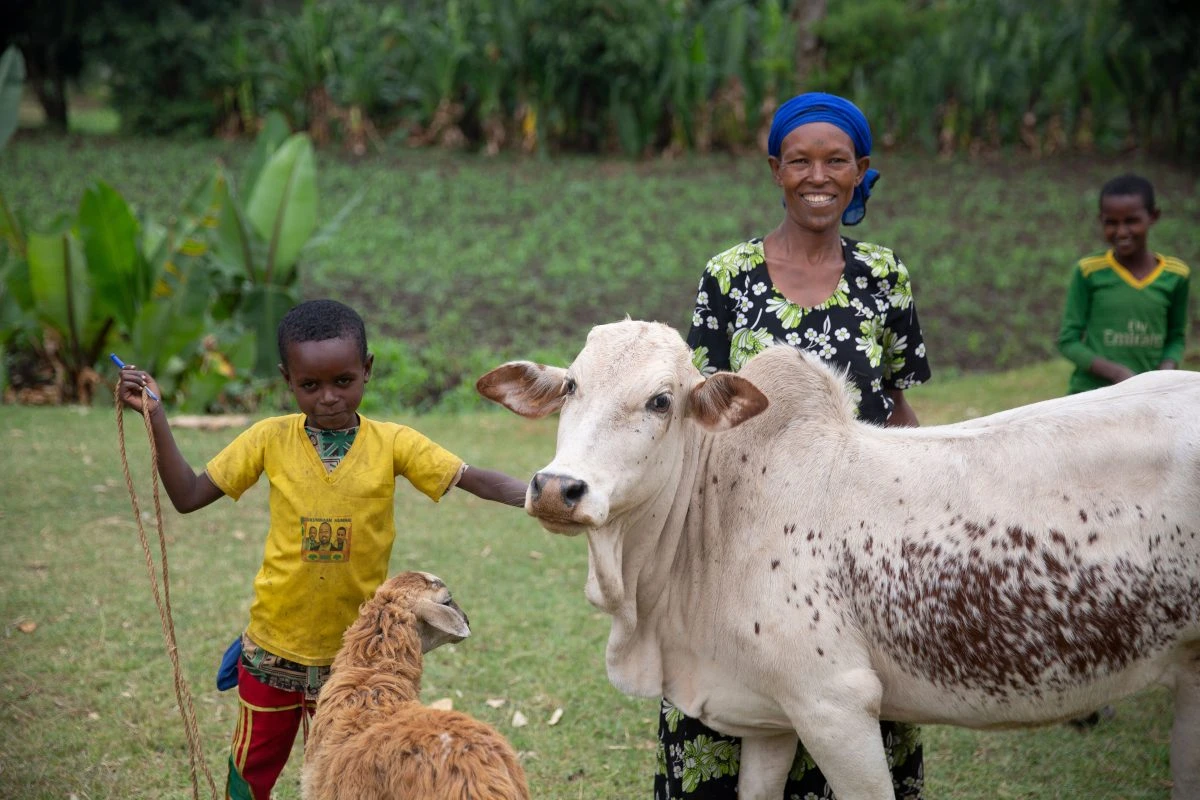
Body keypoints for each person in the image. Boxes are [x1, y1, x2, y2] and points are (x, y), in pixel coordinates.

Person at [116, 299, 528, 800]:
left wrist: (539, 494)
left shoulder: (393, 443)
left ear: (367, 371)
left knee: (343, 780)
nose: (328, 397)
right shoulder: (268, 439)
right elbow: (187, 494)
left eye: (343, 381)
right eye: (310, 385)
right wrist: (156, 415)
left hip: (352, 665)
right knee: (251, 771)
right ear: (287, 379)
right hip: (273, 649)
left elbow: (472, 478)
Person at [659, 92, 931, 800]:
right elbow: (699, 408)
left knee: (854, 713)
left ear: (860, 169)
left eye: (836, 161)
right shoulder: (729, 277)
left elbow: (897, 404)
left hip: (857, 546)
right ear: (776, 169)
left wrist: (931, 507)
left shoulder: (884, 275)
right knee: (731, 725)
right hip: (742, 550)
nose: (819, 176)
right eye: (801, 161)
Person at [1057, 173, 1190, 394]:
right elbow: (1068, 341)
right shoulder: (1089, 271)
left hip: (1148, 396)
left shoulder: (1176, 275)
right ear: (1101, 220)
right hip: (1090, 396)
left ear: (1153, 216)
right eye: (1111, 223)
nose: (1121, 231)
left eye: (1131, 221)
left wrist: (1165, 373)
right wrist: (1118, 374)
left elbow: (1176, 337)